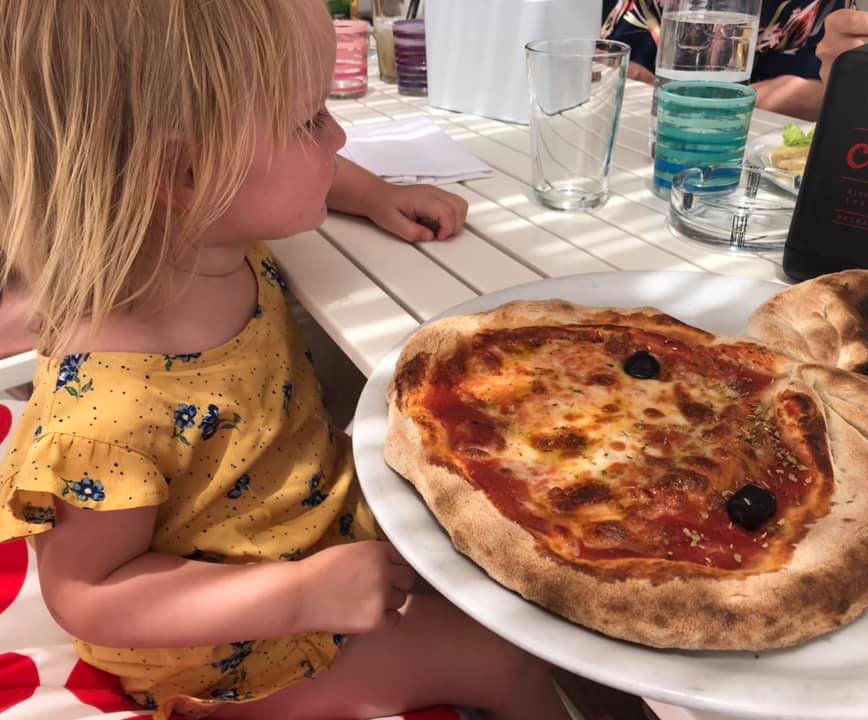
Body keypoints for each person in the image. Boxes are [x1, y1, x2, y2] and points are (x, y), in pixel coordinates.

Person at [0, 2, 575, 720]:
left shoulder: (198, 233)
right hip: (231, 654)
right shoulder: (113, 407)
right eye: (310, 120)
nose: (338, 135)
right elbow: (89, 595)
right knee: (505, 652)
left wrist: (375, 194)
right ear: (183, 173)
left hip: (315, 526)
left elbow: (304, 174)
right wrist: (298, 595)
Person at [601, 0, 856, 119]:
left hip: (734, 149)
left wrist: (699, 101)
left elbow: (823, 94)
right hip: (608, 125)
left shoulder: (821, 8)